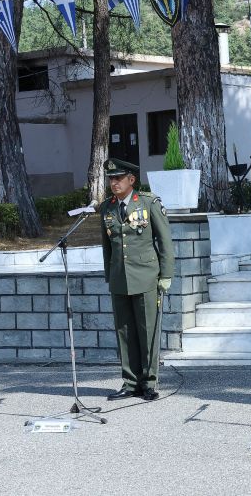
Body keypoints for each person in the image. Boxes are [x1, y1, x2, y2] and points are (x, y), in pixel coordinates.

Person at [101, 158, 175, 401]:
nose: (114, 183)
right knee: (124, 332)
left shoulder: (148, 203)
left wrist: (166, 275)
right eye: (111, 179)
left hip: (145, 276)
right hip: (120, 278)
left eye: (118, 178)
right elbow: (107, 247)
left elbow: (164, 241)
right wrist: (109, 275)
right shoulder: (107, 208)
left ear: (131, 180)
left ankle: (149, 382)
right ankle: (130, 382)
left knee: (147, 330)